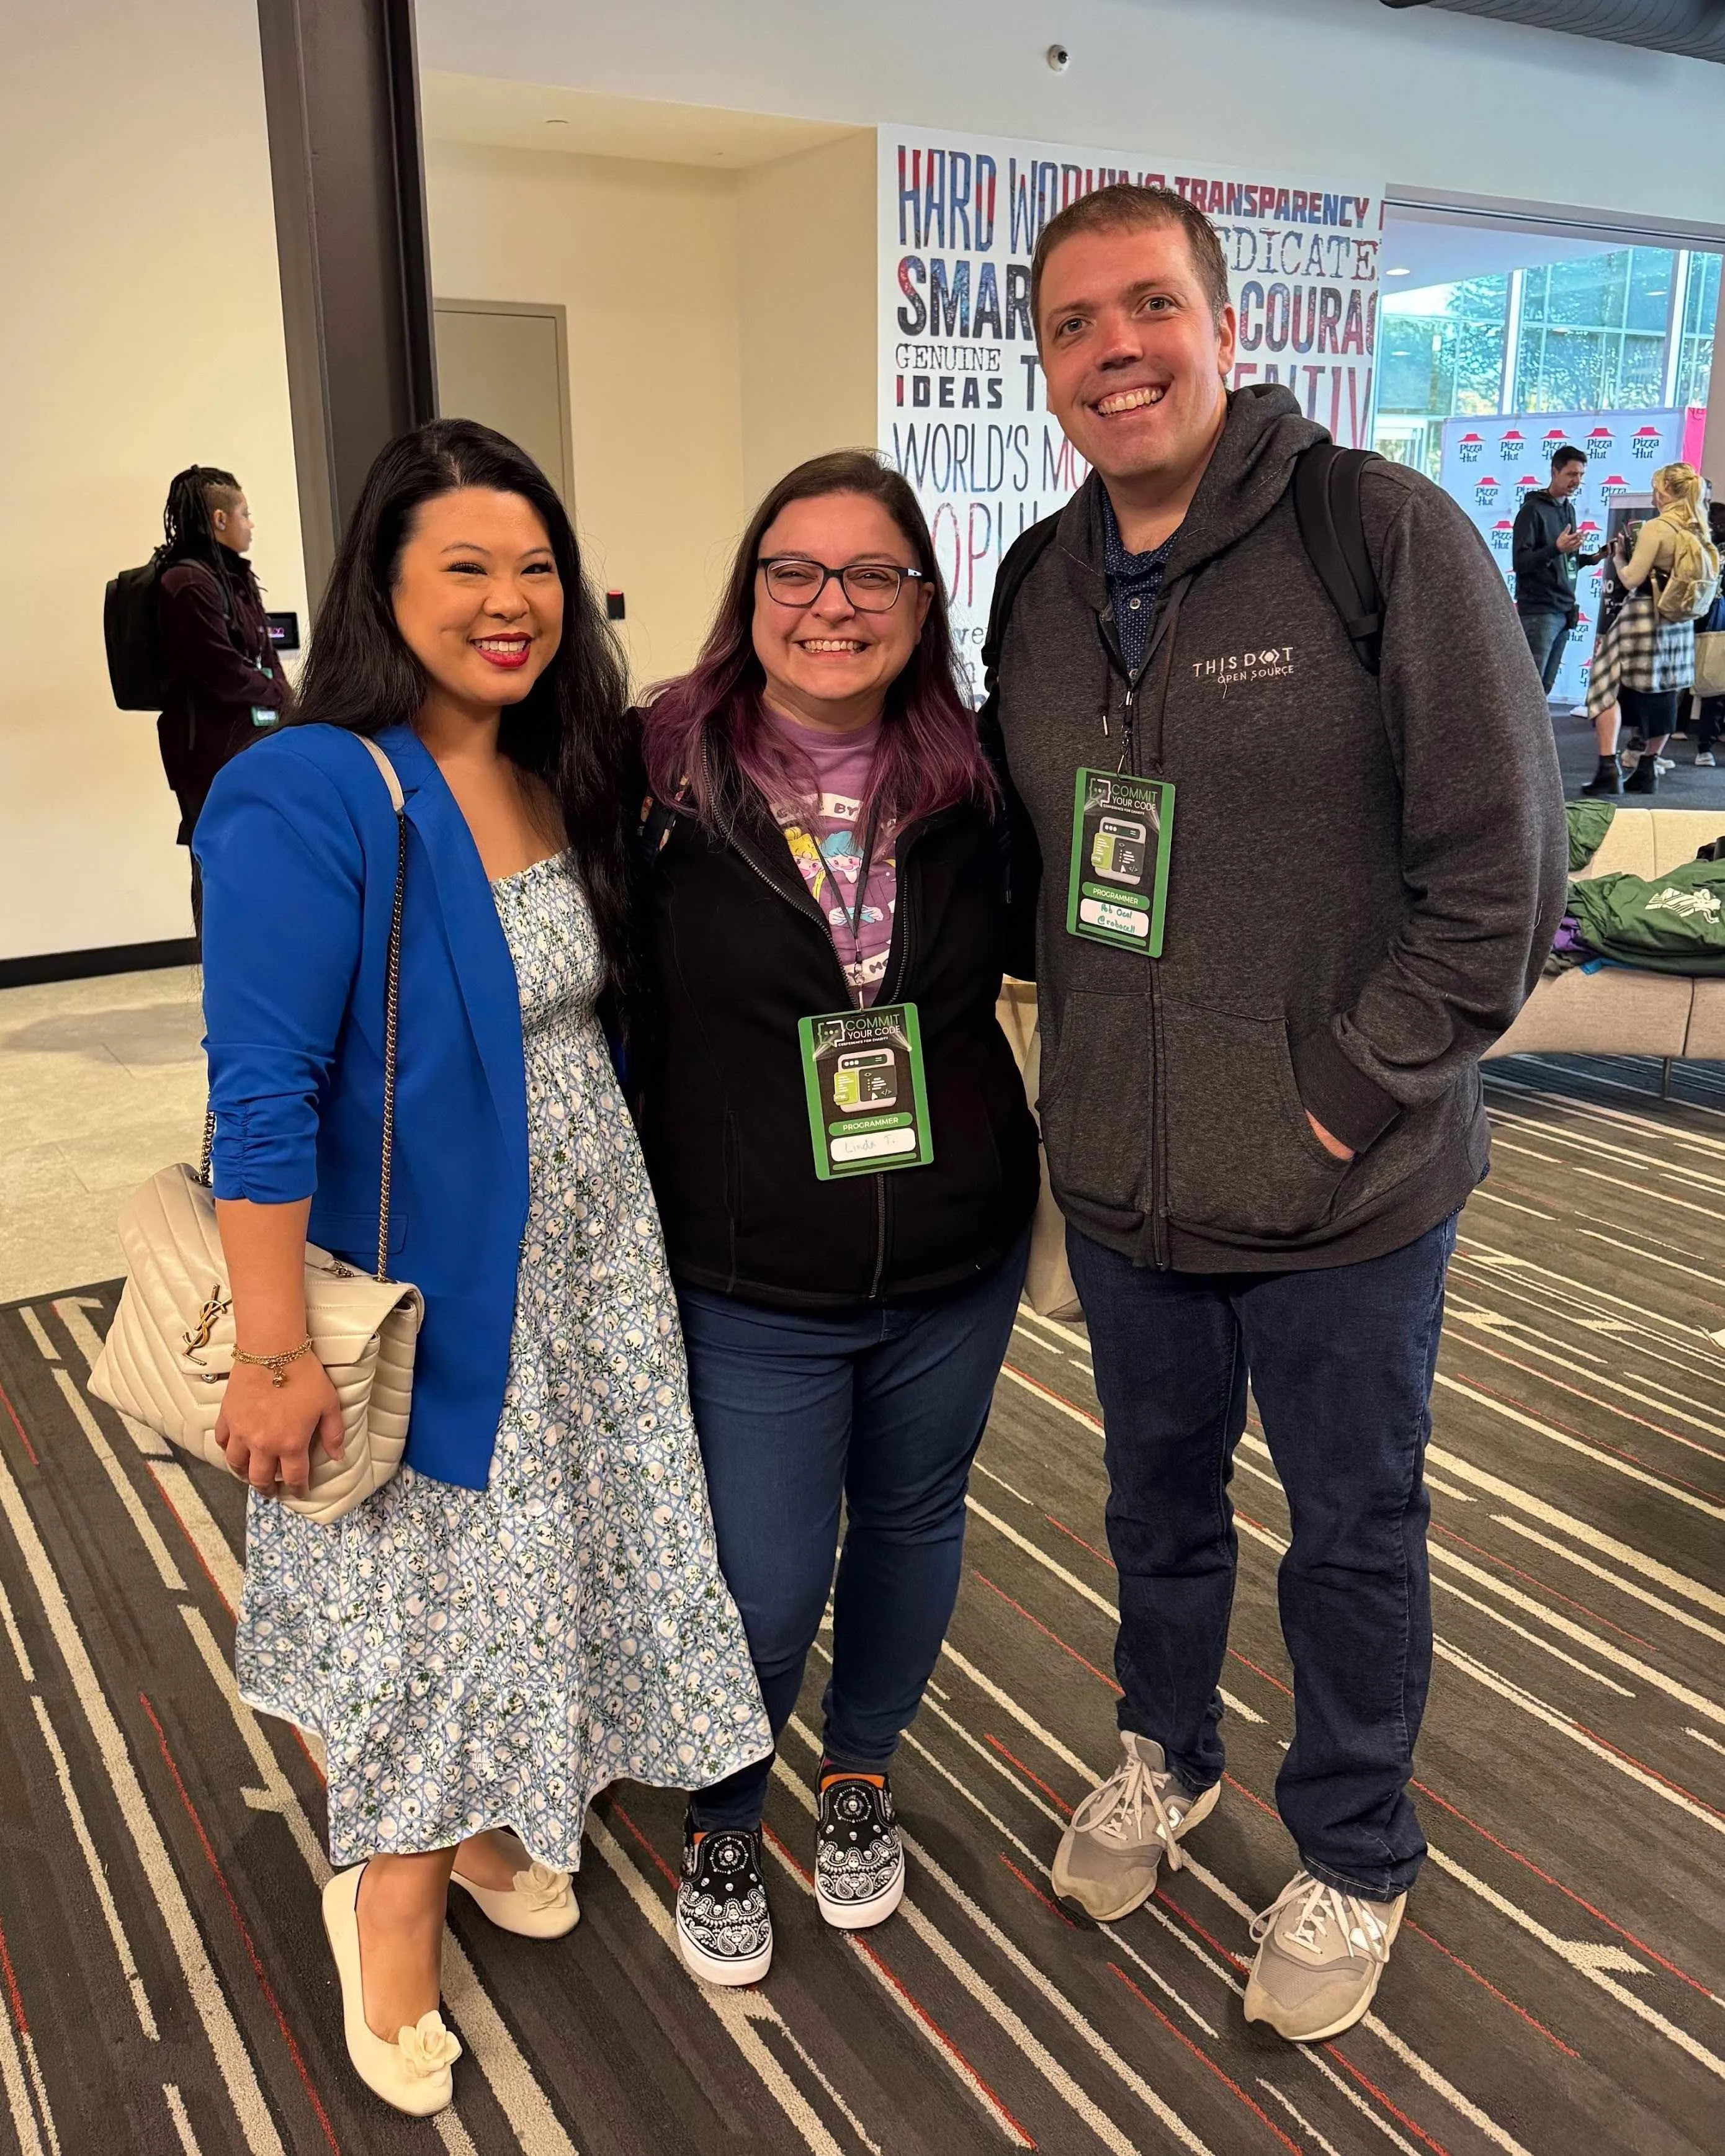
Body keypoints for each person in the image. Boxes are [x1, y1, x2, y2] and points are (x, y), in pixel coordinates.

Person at [983, 185, 1566, 2043]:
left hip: (1341, 1188)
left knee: (1346, 1531)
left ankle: (1354, 1847)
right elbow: (1038, 864)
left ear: (1226, 332)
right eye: (1072, 324)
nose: (1113, 349)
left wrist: (1339, 1092)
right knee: (1150, 1505)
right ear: (1047, 368)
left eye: (1147, 306)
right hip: (1129, 1173)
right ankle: (1162, 1750)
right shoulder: (1037, 583)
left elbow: (1498, 875)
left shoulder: (1372, 535)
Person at [194, 419, 769, 2116]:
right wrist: (276, 1345)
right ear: (382, 581)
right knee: (432, 1599)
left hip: (589, 1261)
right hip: (441, 1275)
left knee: (541, 1572)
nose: (511, 601)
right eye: (466, 567)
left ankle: (494, 1811)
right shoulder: (311, 783)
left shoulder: (555, 763)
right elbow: (262, 1090)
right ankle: (386, 1904)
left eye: (535, 567)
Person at [634, 451, 1039, 1986]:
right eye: (795, 571)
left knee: (918, 1524)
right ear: (750, 590)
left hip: (954, 1248)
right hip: (753, 1268)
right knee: (765, 1573)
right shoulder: (660, 772)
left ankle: (859, 1773)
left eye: (874, 575)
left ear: (923, 603)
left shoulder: (976, 778)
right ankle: (729, 1805)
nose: (832, 605)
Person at [155, 466, 289, 926]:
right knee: (214, 852)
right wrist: (275, 695)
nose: (251, 523)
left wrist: (294, 711)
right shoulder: (186, 585)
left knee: (258, 848)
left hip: (249, 741)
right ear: (219, 520)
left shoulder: (236, 578)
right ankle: (220, 969)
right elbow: (223, 670)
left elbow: (263, 656)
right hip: (205, 751)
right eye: (245, 514)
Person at [1581, 462, 1721, 796]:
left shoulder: (1657, 529)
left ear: (1665, 492)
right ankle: (1648, 769)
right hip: (1679, 623)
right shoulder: (1700, 532)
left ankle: (1607, 769)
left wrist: (1617, 559)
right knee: (1664, 694)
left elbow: (1631, 578)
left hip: (1643, 616)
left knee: (1604, 684)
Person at [1510, 444, 1603, 697]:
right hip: (1539, 610)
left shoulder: (1568, 509)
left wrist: (1594, 558)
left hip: (1564, 609)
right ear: (1555, 472)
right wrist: (1556, 549)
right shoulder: (1532, 511)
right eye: (1572, 474)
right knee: (1530, 685)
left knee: (1545, 686)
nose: (1577, 481)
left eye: (1581, 475)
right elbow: (1521, 563)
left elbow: (1566, 561)